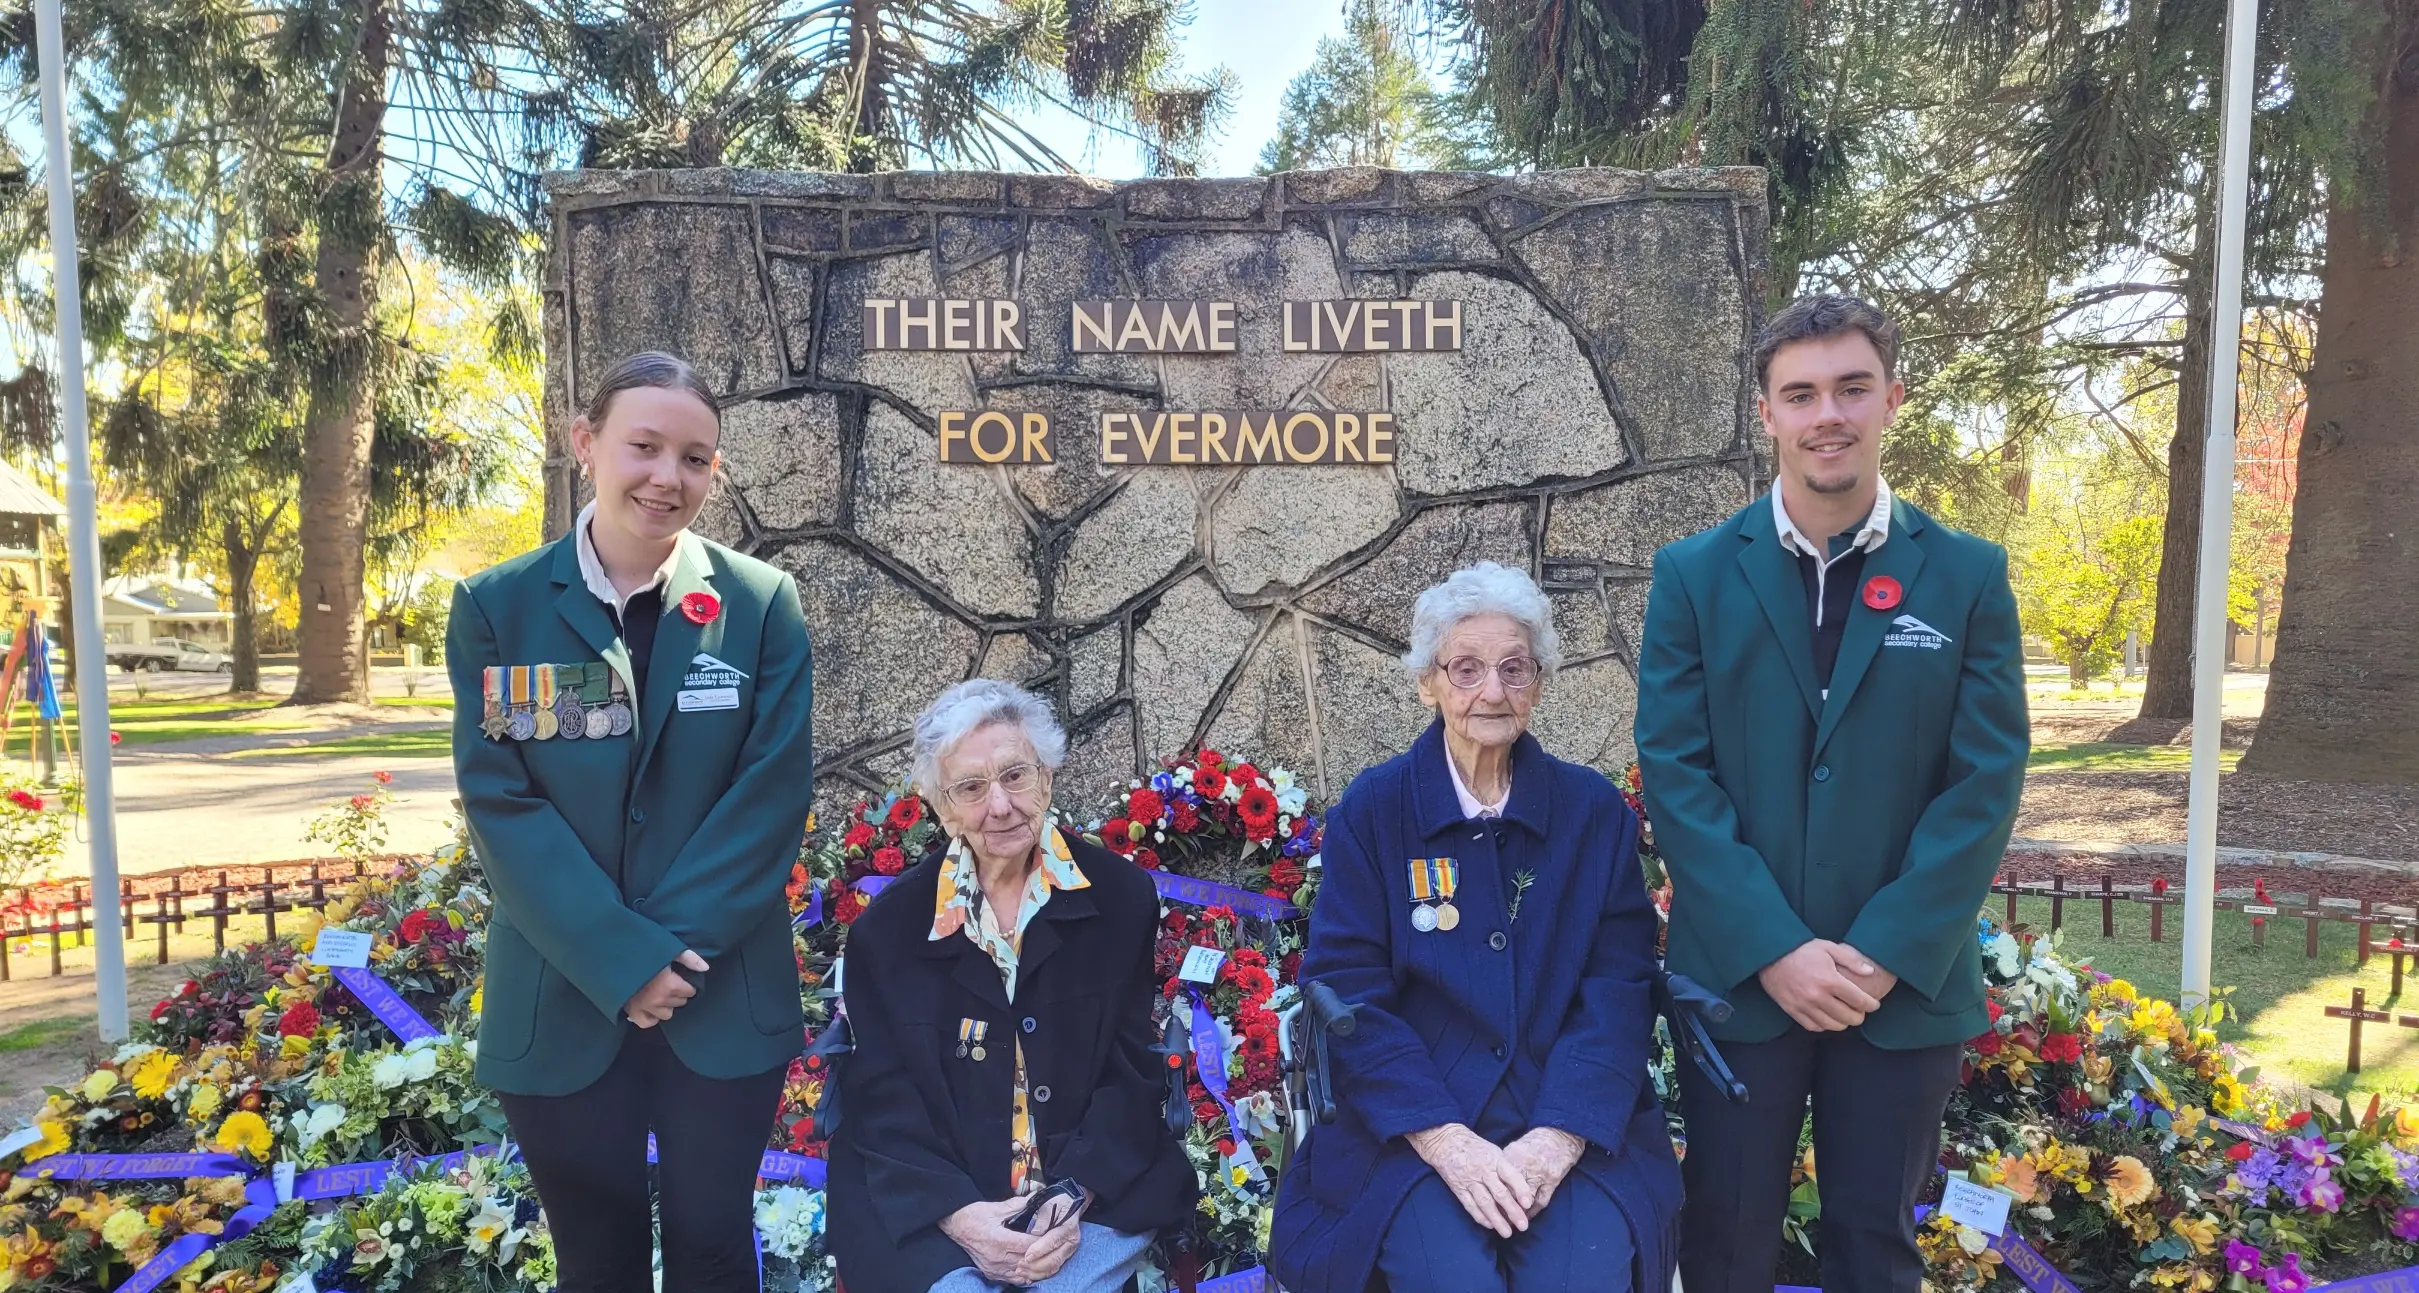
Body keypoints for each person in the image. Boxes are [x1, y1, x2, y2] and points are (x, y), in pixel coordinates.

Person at [1634, 295, 2029, 1292]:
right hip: (1740, 984)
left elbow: (1982, 784)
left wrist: (1882, 951)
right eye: (1799, 393)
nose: (1827, 414)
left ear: (1889, 399)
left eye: (1851, 388)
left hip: (1898, 988)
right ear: (1764, 412)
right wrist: (1775, 948)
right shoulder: (1690, 577)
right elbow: (1677, 774)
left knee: (1872, 1247)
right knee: (1724, 1243)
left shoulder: (1967, 577)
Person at [447, 351, 815, 1293]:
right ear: (586, 444)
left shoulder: (760, 606)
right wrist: (620, 959)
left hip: (720, 994)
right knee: (596, 1260)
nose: (667, 477)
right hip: (562, 996)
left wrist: (668, 957)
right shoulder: (498, 608)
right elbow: (502, 803)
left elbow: (769, 795)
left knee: (713, 1245)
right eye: (644, 447)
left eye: (695, 458)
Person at [1270, 562, 1681, 1293]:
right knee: (1448, 1278)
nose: (1491, 690)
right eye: (1466, 668)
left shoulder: (1591, 814)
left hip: (1566, 1121)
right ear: (1428, 682)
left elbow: (1617, 986)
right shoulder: (1375, 809)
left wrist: (1555, 1138)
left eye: (1513, 668)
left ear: (1539, 682)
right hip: (1409, 1127)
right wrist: (1447, 1140)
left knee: (1576, 1278)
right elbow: (1348, 988)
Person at [826, 679, 1196, 1293]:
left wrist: (1074, 1192)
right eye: (971, 788)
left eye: (1016, 776)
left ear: (1047, 777)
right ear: (942, 808)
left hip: (1094, 1194)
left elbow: (1131, 1070)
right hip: (934, 1205)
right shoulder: (887, 932)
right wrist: (964, 1217)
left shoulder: (1119, 898)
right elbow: (884, 1099)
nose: (999, 805)